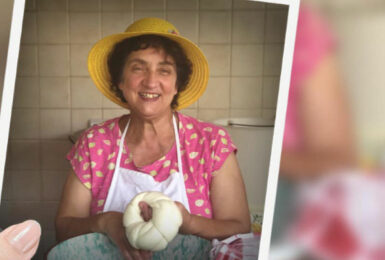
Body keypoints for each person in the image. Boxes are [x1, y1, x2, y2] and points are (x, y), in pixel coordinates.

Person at [55, 17, 251, 259]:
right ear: (120, 80)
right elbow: (63, 229)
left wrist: (188, 222)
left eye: (164, 70)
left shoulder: (211, 142)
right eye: (138, 68)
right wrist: (106, 222)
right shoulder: (94, 143)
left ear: (177, 83)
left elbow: (240, 227)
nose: (150, 81)